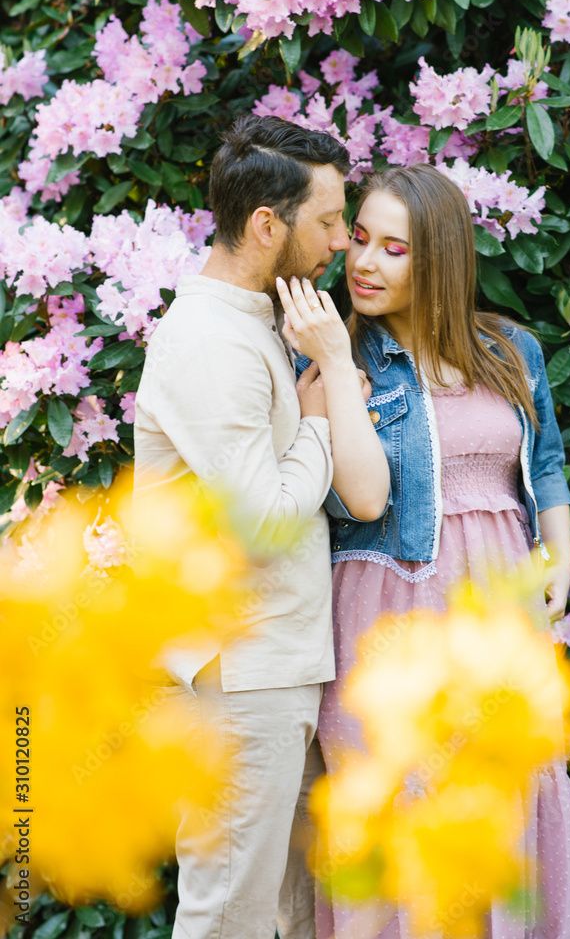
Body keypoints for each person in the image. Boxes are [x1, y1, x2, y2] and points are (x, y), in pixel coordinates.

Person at [278, 164, 570, 939]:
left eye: (394, 248)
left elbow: (544, 464)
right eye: (360, 240)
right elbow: (361, 497)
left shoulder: (510, 348)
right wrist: (340, 370)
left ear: (439, 257)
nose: (365, 263)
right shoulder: (334, 364)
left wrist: (561, 554)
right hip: (389, 613)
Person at [133, 115, 388, 939]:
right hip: (238, 677)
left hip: (271, 667)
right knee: (227, 918)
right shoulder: (212, 342)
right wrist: (317, 422)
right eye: (326, 222)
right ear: (265, 225)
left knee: (292, 914)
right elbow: (269, 521)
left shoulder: (251, 323)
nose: (341, 243)